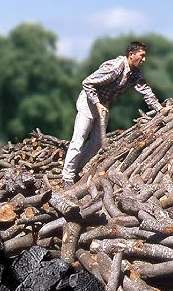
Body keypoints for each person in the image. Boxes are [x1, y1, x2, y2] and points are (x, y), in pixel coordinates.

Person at [61, 41, 163, 186]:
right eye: (142, 56)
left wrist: (160, 110)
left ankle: (75, 170)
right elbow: (87, 83)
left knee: (97, 143)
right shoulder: (115, 67)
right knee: (79, 138)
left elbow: (146, 91)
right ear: (131, 55)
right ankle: (67, 177)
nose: (144, 60)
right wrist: (97, 104)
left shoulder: (135, 73)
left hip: (103, 103)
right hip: (89, 101)